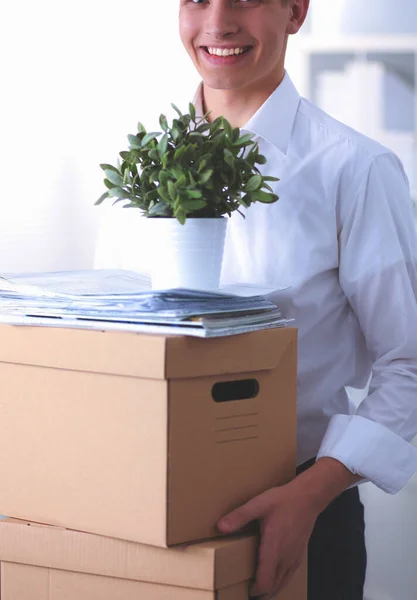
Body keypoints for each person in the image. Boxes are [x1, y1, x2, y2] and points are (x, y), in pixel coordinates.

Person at [176, 0, 417, 599]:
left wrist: (310, 497)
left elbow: (409, 363)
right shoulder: (138, 166)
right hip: (157, 506)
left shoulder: (355, 170)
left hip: (302, 513)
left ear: (295, 10)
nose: (219, 22)